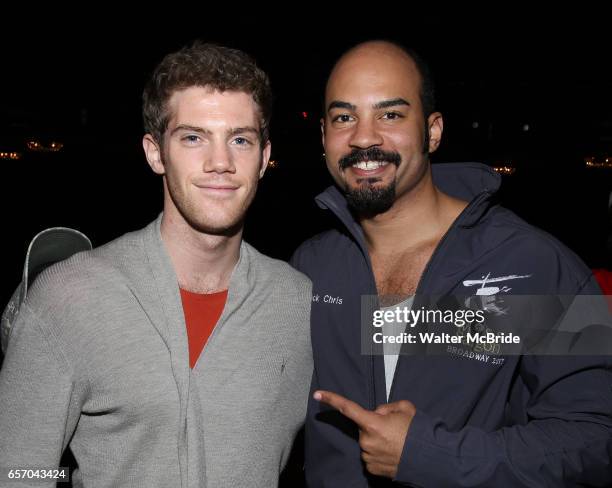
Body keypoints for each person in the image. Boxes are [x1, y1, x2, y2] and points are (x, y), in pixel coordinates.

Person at [291, 40, 612, 486]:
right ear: (324, 137)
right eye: (344, 117)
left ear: (433, 130)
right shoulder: (312, 267)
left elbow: (597, 439)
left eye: (390, 114)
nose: (364, 137)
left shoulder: (533, 265)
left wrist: (431, 453)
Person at [0, 41, 312, 488]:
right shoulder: (68, 297)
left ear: (263, 158)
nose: (220, 162)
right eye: (193, 138)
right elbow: (18, 471)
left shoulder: (299, 303)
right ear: (155, 152)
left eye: (239, 139)